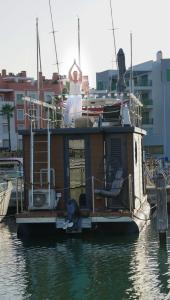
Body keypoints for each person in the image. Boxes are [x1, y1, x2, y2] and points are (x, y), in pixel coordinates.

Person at [64, 60, 82, 127]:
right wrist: (73, 64)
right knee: (69, 112)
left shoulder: (79, 80)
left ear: (77, 75)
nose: (75, 75)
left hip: (78, 97)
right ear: (73, 75)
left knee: (77, 113)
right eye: (74, 74)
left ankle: (77, 124)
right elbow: (69, 72)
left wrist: (76, 65)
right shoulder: (71, 80)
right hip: (71, 97)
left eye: (76, 74)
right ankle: (68, 124)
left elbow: (81, 72)